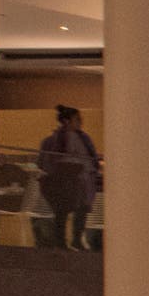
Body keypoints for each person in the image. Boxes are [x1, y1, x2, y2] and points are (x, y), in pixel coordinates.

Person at [36, 101, 100, 249]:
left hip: (82, 179)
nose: (81, 122)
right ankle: (61, 241)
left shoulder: (83, 138)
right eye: (77, 119)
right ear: (67, 121)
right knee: (63, 210)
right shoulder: (58, 139)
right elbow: (51, 159)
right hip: (65, 180)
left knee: (81, 209)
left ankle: (75, 239)